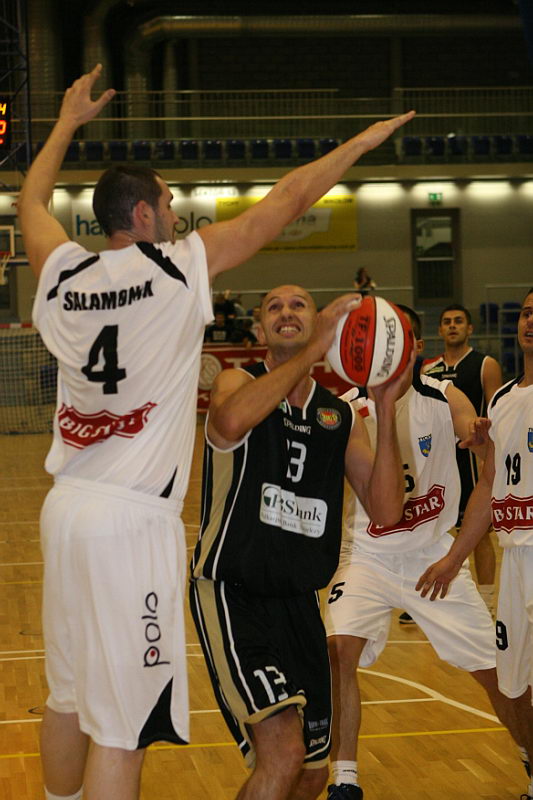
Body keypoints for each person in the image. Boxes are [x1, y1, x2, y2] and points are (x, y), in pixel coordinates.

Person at [17, 63, 415, 800]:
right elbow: (287, 199)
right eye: (169, 204)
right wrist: (358, 144)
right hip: (130, 521)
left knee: (67, 697)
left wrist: (66, 124)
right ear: (143, 214)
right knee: (124, 729)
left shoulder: (64, 274)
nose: (176, 216)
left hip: (65, 509)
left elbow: (30, 202)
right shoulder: (174, 270)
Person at [190, 285, 410, 800]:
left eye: (298, 306)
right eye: (274, 307)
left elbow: (386, 511)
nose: (286, 312)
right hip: (233, 593)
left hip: (300, 604)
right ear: (260, 329)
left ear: (318, 321)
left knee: (311, 774)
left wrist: (384, 406)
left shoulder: (339, 416)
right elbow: (229, 423)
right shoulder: (237, 382)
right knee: (283, 752)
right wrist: (315, 350)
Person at [325, 305, 524, 800]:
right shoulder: (348, 408)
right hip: (367, 554)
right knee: (338, 649)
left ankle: (529, 754)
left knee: (496, 673)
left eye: (403, 337)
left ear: (414, 347)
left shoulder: (442, 394)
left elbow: (469, 426)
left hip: (433, 556)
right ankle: (345, 779)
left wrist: (477, 437)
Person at [417, 288, 533, 800]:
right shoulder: (503, 400)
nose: (530, 320)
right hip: (515, 558)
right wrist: (453, 558)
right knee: (515, 685)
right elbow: (488, 486)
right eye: (526, 312)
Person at [423, 303, 503, 616]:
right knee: (433, 531)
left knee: (478, 533)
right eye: (447, 321)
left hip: (472, 458)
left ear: (469, 328)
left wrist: (489, 457)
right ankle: (426, 594)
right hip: (439, 460)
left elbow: (496, 413)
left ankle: (487, 601)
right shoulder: (428, 370)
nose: (452, 325)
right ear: (440, 329)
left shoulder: (485, 364)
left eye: (458, 321)